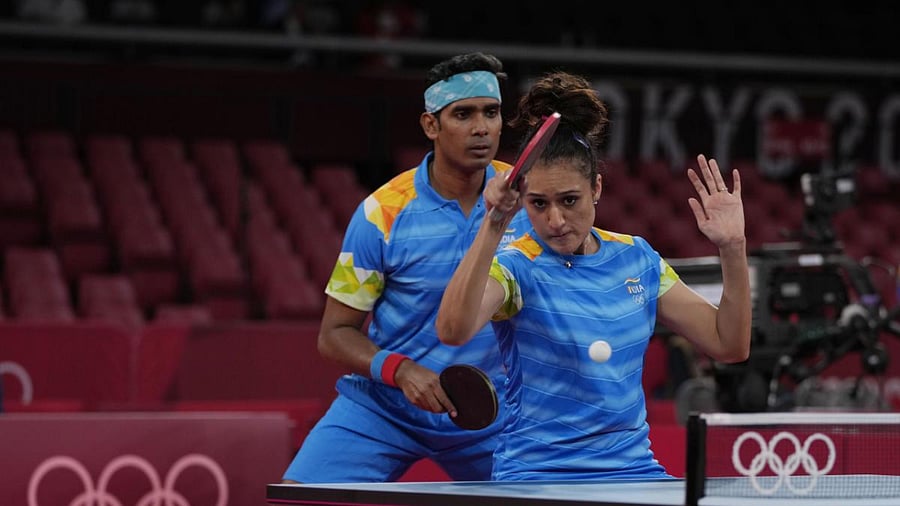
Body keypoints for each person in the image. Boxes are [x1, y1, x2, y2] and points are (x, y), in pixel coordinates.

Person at [435, 71, 752, 481]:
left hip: (633, 472)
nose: (555, 220)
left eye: (570, 200)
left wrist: (733, 248)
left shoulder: (636, 259)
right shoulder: (516, 267)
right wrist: (493, 224)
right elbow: (452, 331)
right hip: (537, 476)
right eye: (538, 203)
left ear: (597, 188)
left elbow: (729, 345)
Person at [282, 52, 532, 483]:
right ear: (431, 125)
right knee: (299, 494)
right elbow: (334, 334)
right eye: (463, 114)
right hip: (385, 407)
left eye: (491, 113)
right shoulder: (381, 213)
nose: (481, 128)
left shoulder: (529, 201)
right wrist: (399, 369)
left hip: (491, 413)